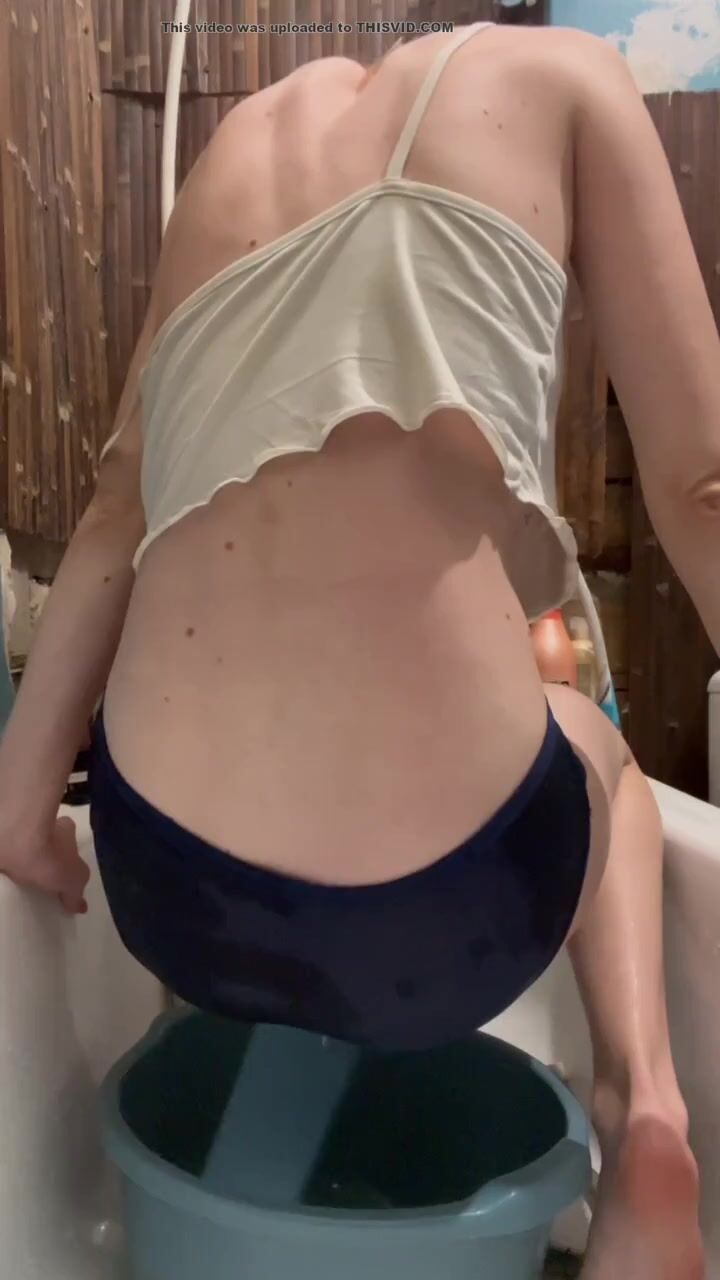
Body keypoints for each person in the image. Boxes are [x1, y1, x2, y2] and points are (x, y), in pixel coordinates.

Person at [0, 20, 716, 1277]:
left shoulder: (235, 143)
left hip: (171, 887)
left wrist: (21, 807)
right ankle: (644, 1112)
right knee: (599, 748)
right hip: (453, 912)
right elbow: (704, 486)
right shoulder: (570, 79)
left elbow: (115, 507)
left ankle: (234, 1081)